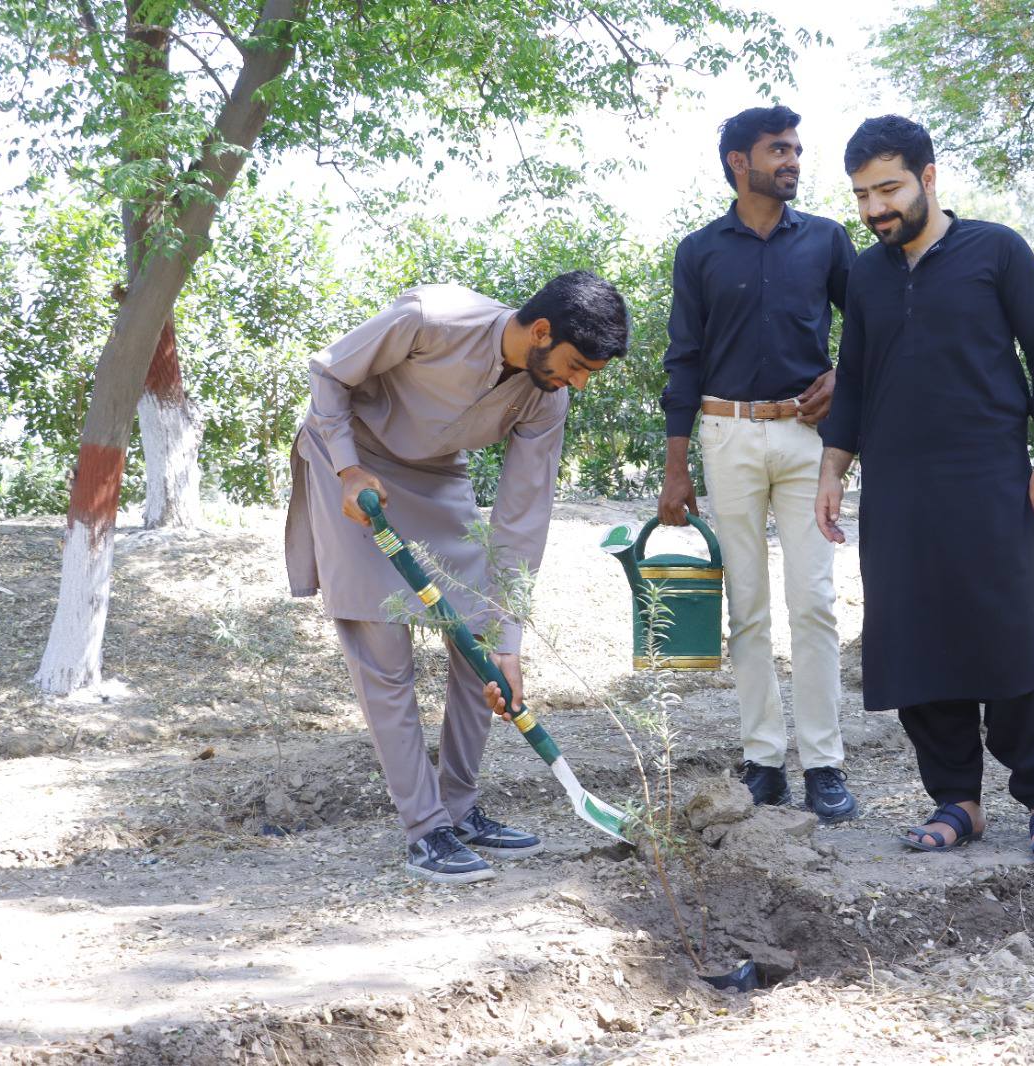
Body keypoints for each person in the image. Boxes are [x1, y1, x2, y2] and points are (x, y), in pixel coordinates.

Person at [285, 271, 628, 883]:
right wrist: (346, 470)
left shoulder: (546, 400)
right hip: (353, 463)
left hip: (438, 476)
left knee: (481, 649)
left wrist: (508, 641)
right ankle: (426, 831)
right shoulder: (432, 317)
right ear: (541, 331)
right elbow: (329, 373)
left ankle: (460, 809)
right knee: (384, 649)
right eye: (577, 366)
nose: (577, 382)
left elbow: (521, 522)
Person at [816, 115, 1034, 865]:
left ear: (928, 178)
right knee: (916, 638)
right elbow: (855, 379)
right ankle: (956, 799)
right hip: (898, 487)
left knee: (1017, 633)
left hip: (989, 477)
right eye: (861, 195)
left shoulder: (996, 250)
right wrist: (833, 470)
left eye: (888, 189)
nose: (874, 208)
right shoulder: (866, 274)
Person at [656, 105, 860, 821]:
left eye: (797, 149)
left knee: (814, 602)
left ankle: (825, 764)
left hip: (809, 439)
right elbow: (683, 358)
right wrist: (676, 466)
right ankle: (764, 761)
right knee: (746, 607)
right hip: (727, 434)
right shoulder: (699, 251)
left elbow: (871, 326)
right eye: (778, 150)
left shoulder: (828, 240)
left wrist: (843, 376)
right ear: (739, 162)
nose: (793, 160)